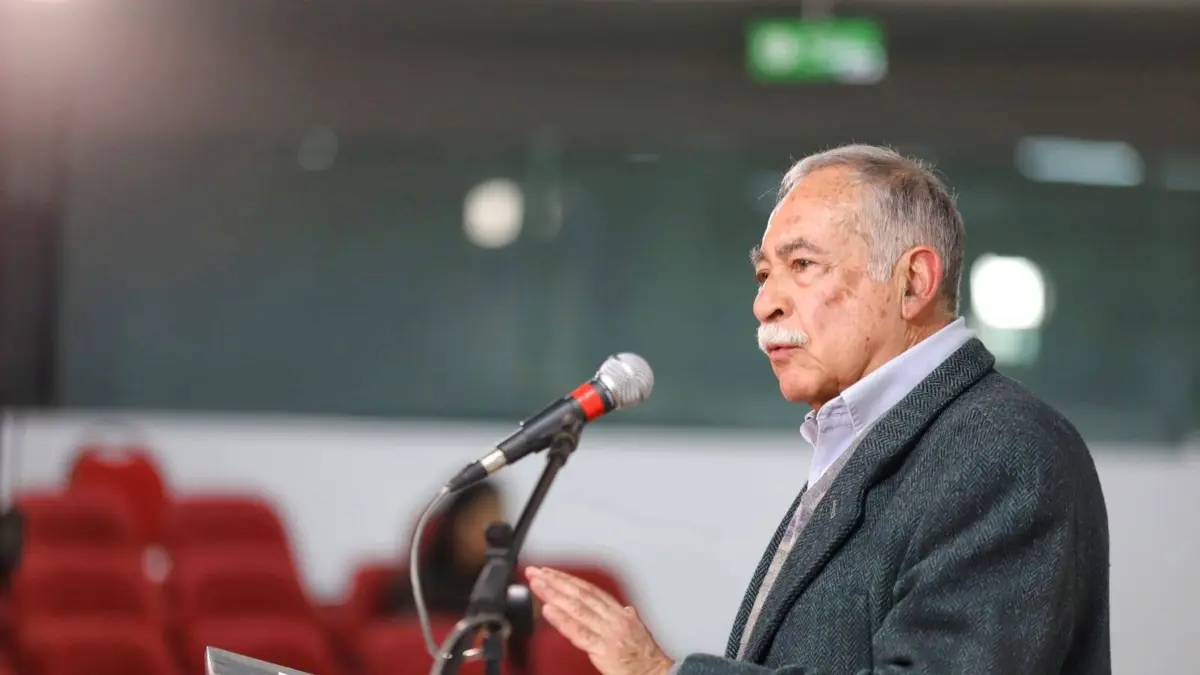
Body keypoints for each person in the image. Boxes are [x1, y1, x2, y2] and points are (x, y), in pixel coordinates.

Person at [525, 144, 1110, 675]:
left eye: (802, 265)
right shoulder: (875, 437)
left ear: (913, 281)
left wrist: (663, 674)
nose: (764, 303)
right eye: (763, 274)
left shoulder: (1004, 448)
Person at [387, 481, 533, 673]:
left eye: (498, 518)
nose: (490, 530)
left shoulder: (505, 574)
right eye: (481, 519)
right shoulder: (425, 581)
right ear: (457, 523)